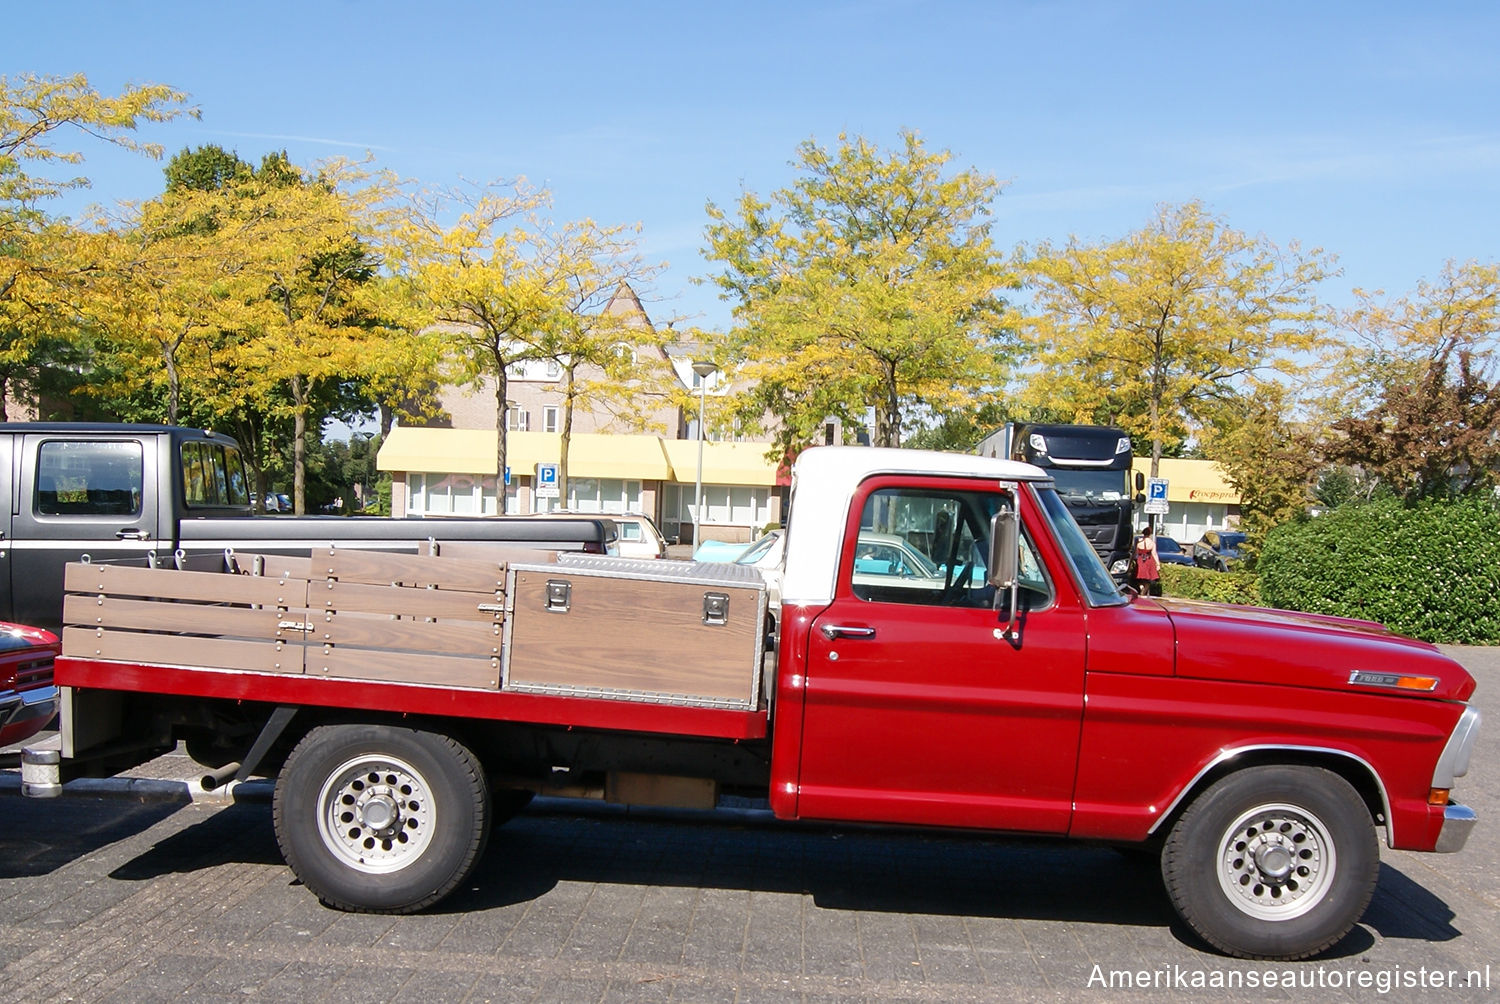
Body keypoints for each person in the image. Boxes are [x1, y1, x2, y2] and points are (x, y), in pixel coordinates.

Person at [1131, 525, 1161, 597]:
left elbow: (1135, 553)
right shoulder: (1152, 543)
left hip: (1140, 560)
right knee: (1148, 580)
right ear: (1150, 534)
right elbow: (1154, 554)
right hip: (1149, 561)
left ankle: (1141, 589)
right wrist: (1158, 564)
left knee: (1139, 578)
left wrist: (1132, 560)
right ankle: (1143, 592)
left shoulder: (1139, 542)